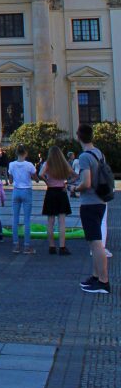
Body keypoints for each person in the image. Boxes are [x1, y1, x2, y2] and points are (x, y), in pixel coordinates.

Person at [76, 124, 111, 294]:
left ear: (78, 137)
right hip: (100, 201)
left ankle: (103, 281)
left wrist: (74, 189)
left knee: (96, 243)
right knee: (93, 241)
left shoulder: (84, 157)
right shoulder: (99, 153)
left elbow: (86, 183)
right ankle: (96, 276)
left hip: (89, 202)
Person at [39, 146, 73, 255]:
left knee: (50, 221)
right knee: (62, 221)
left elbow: (40, 174)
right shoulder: (63, 164)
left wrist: (47, 181)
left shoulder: (47, 163)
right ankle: (62, 247)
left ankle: (51, 246)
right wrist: (67, 183)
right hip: (61, 192)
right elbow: (74, 175)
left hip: (51, 191)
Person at [9, 145, 38, 255]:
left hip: (16, 190)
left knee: (15, 219)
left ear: (16, 153)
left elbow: (11, 180)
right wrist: (34, 177)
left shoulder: (11, 164)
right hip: (26, 191)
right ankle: (26, 246)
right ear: (25, 153)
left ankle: (16, 245)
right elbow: (35, 178)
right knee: (26, 220)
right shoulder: (29, 165)